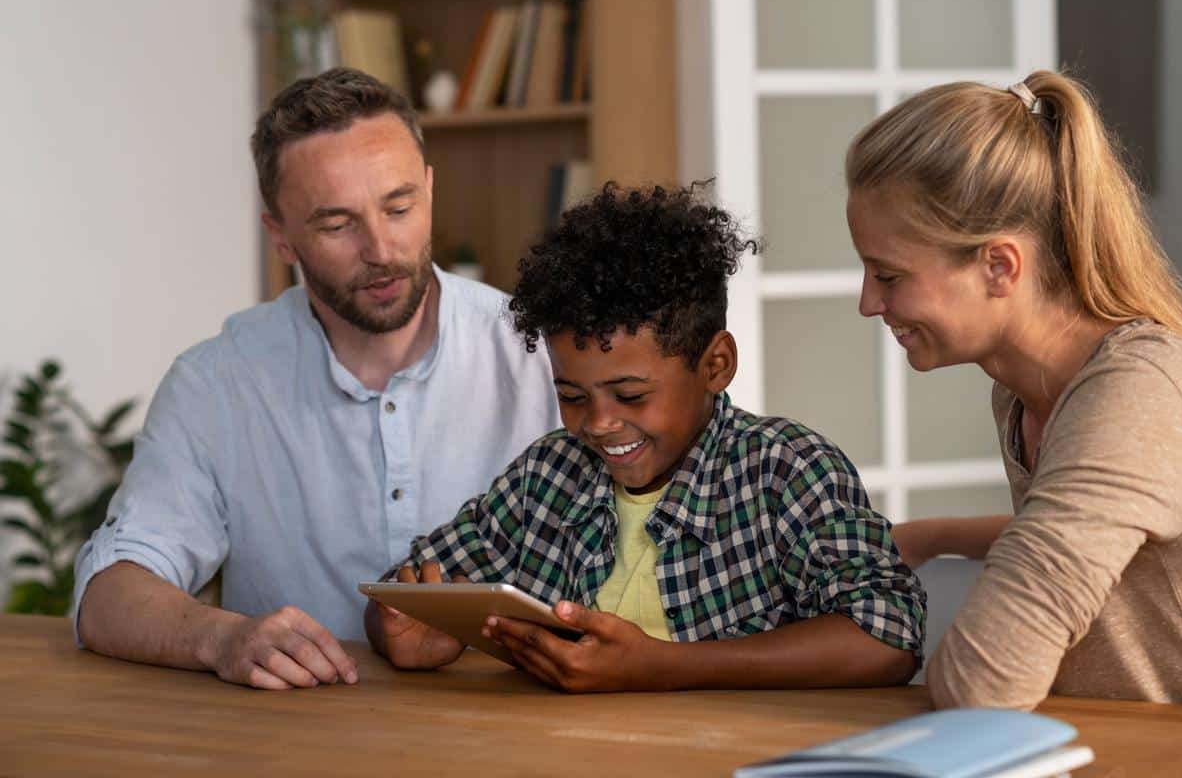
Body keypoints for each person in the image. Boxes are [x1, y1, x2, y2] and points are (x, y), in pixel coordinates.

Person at [73, 68, 560, 690]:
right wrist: (221, 637)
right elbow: (109, 593)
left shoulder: (539, 351)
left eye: (400, 206)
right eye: (337, 225)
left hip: (514, 731)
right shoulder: (216, 381)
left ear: (430, 191)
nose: (381, 248)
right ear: (280, 235)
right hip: (295, 739)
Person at [366, 183, 925, 692]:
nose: (599, 423)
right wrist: (405, 629)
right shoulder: (545, 478)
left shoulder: (787, 473)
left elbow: (888, 636)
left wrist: (662, 665)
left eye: (630, 395)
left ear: (717, 364)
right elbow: (401, 590)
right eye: (573, 396)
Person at [844, 70, 1182, 708]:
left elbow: (985, 686)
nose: (869, 303)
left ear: (999, 266)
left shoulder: (1139, 393)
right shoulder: (1019, 392)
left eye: (889, 275)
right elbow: (1089, 530)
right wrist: (932, 536)